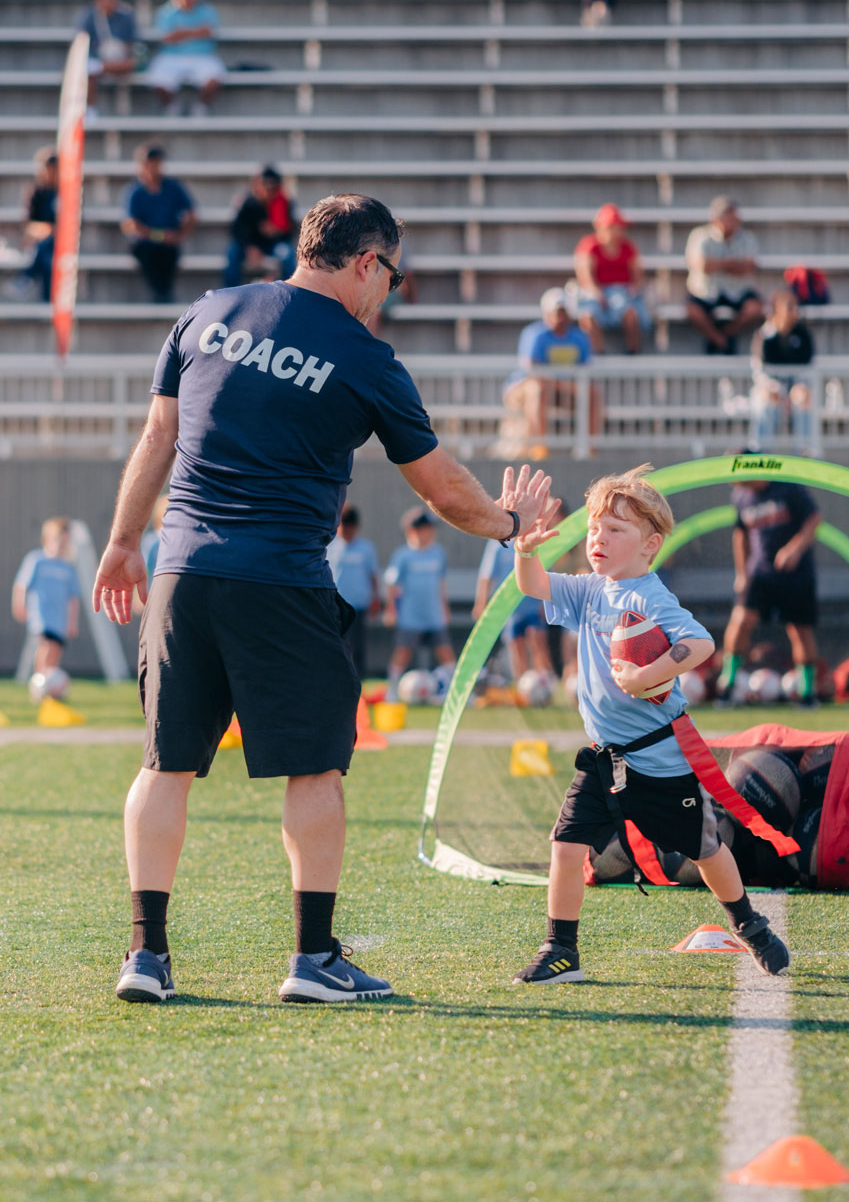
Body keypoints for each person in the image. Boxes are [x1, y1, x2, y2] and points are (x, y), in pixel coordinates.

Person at [91, 191, 553, 1006]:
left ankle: (146, 956)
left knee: (164, 764)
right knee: (315, 770)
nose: (388, 295)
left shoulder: (207, 312)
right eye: (393, 279)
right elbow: (443, 489)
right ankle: (312, 961)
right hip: (281, 580)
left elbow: (157, 438)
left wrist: (125, 541)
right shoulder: (365, 355)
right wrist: (511, 524)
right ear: (368, 262)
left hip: (181, 572)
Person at [505, 464, 790, 984]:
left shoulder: (649, 598)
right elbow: (534, 585)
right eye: (595, 528)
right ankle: (560, 949)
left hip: (660, 764)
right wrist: (524, 547)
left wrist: (647, 675)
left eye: (615, 530)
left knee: (705, 850)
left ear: (649, 545)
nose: (599, 537)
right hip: (603, 760)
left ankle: (747, 921)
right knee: (566, 847)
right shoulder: (590, 590)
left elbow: (701, 643)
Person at [717, 475, 821, 709]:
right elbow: (740, 534)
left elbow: (813, 519)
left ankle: (807, 693)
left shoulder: (788, 486)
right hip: (760, 574)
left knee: (799, 630)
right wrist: (741, 573)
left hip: (796, 574)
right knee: (741, 621)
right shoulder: (741, 496)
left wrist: (794, 550)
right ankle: (728, 685)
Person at [502, 286, 600, 453]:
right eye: (556, 312)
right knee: (537, 389)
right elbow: (532, 373)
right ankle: (539, 446)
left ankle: (589, 446)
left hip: (560, 389)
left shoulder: (579, 337)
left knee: (592, 392)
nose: (559, 317)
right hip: (525, 388)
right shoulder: (535, 334)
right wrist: (564, 384)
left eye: (562, 312)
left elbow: (585, 370)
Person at [383, 508, 455, 700]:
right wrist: (391, 609)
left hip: (433, 615)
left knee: (445, 652)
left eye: (432, 530)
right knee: (403, 652)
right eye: (426, 529)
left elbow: (441, 583)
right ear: (413, 531)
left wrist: (444, 608)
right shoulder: (402, 555)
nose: (431, 534)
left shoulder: (438, 553)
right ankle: (392, 690)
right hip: (410, 616)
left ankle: (455, 691)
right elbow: (392, 584)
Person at [685, 196, 764, 355]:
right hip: (706, 293)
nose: (731, 220)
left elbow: (749, 267)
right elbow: (702, 266)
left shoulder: (747, 238)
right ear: (716, 218)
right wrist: (732, 264)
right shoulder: (701, 236)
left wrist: (718, 264)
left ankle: (723, 336)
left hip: (737, 292)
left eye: (732, 216)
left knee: (755, 308)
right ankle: (719, 339)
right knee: (693, 310)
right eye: (726, 215)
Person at [473, 528, 554, 683]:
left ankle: (545, 682)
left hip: (533, 603)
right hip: (509, 608)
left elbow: (546, 571)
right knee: (517, 647)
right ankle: (523, 684)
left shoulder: (531, 539)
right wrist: (481, 603)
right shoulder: (497, 544)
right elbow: (486, 576)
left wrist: (547, 602)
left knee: (538, 642)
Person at [572, 203, 651, 353]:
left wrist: (632, 290)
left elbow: (638, 275)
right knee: (588, 315)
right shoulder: (590, 245)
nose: (619, 231)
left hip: (622, 293)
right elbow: (585, 276)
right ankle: (598, 353)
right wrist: (598, 293)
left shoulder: (627, 246)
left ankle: (633, 351)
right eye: (614, 227)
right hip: (596, 292)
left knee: (631, 313)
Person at [121, 144, 195, 304]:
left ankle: (163, 294)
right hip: (146, 243)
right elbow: (130, 225)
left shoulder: (173, 188)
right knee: (149, 254)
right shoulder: (135, 191)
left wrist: (180, 234)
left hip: (169, 243)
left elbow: (191, 213)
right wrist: (159, 235)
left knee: (168, 255)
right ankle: (161, 295)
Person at [145, 0, 225, 117]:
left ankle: (201, 106)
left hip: (203, 56)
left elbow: (207, 32)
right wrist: (195, 32)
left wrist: (181, 33)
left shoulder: (207, 10)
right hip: (171, 56)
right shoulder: (165, 13)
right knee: (157, 80)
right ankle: (171, 106)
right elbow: (168, 38)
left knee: (214, 77)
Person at [12, 517, 80, 687]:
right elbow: (21, 585)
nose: (62, 545)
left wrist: (72, 622)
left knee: (56, 649)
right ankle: (39, 680)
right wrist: (19, 604)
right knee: (46, 645)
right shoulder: (36, 560)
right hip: (41, 615)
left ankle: (50, 681)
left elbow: (73, 598)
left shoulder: (67, 567)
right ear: (47, 540)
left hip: (59, 619)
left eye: (65, 542)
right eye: (58, 541)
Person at [750, 288, 816, 452]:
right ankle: (761, 454)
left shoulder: (802, 334)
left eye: (795, 306)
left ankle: (803, 453)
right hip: (773, 388)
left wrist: (794, 390)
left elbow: (809, 368)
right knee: (767, 398)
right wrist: (777, 390)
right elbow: (759, 372)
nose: (794, 311)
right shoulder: (765, 334)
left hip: (794, 387)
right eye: (789, 306)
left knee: (803, 396)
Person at [325, 503, 381, 680]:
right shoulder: (330, 546)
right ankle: (334, 678)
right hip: (335, 604)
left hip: (357, 605)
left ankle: (358, 679)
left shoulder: (366, 549)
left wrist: (376, 598)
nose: (347, 533)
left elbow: (373, 575)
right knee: (335, 643)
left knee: (357, 645)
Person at [223, 167, 298, 289]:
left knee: (287, 254)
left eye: (273, 187)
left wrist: (276, 232)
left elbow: (290, 231)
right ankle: (229, 291)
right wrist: (250, 248)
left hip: (273, 244)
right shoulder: (248, 202)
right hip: (249, 244)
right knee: (232, 254)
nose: (269, 191)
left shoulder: (284, 203)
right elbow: (237, 230)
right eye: (266, 186)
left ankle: (289, 291)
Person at [77, 0, 139, 123]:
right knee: (88, 68)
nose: (109, 3)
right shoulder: (89, 18)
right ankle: (90, 108)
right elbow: (82, 43)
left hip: (120, 61)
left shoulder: (125, 16)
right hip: (97, 59)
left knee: (131, 63)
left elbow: (133, 44)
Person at [4, 148, 58, 303]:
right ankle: (47, 299)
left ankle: (27, 278)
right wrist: (46, 230)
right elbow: (29, 224)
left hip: (61, 241)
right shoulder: (36, 192)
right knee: (46, 251)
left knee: (47, 249)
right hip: (42, 240)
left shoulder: (65, 193)